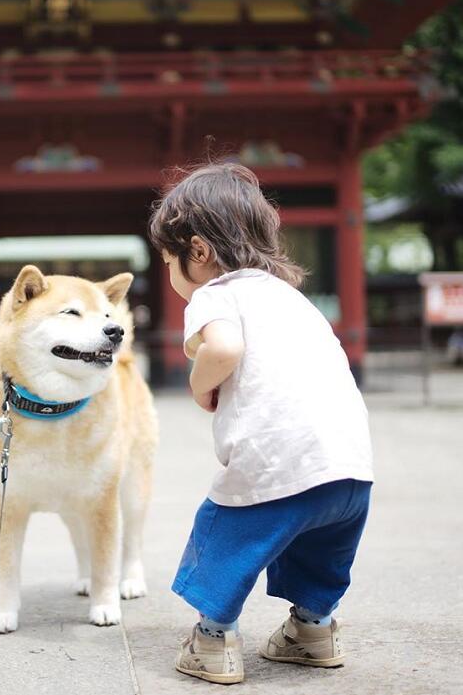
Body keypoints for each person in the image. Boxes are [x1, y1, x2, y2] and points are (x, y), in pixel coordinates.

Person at [148, 162, 374, 685]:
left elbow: (224, 348)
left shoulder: (216, 294)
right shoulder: (293, 299)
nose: (171, 273)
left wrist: (199, 381)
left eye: (169, 259)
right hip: (350, 467)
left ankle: (212, 639)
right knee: (320, 551)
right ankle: (312, 631)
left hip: (279, 460)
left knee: (228, 535)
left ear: (198, 251)